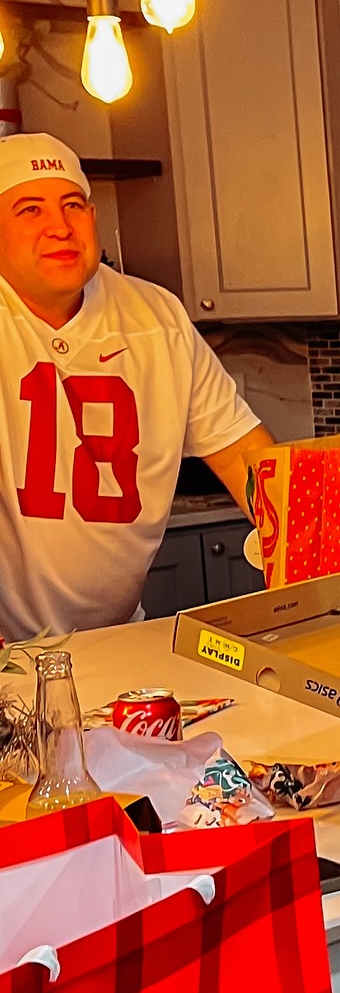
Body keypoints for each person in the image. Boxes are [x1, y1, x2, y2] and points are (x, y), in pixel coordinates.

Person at [0, 134, 272, 640]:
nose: (59, 227)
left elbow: (247, 461)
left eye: (72, 205)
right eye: (30, 210)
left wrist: (319, 564)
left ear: (93, 217)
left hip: (120, 638)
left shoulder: (157, 317)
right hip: (7, 654)